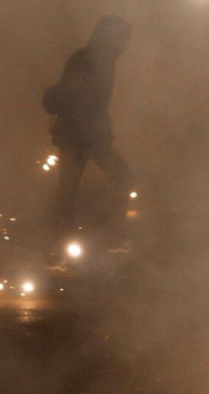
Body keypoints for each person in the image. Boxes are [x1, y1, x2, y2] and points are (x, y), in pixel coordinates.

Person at [43, 15, 134, 259]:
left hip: (84, 135)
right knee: (120, 178)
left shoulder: (96, 59)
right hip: (81, 135)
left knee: (68, 192)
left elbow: (76, 97)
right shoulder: (89, 60)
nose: (124, 46)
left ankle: (58, 249)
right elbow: (74, 95)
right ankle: (111, 238)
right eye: (122, 39)